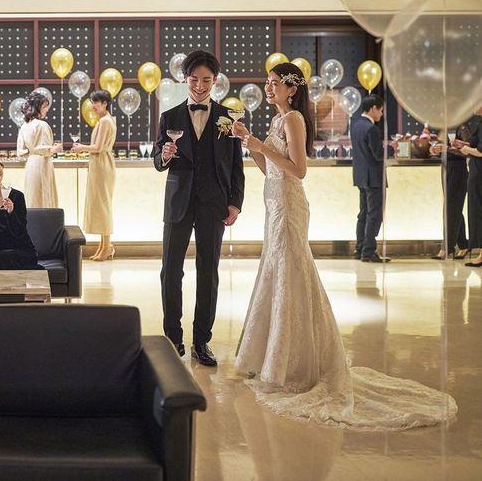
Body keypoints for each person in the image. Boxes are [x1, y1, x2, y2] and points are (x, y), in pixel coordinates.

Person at [232, 62, 456, 429]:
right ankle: (272, 355)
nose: (268, 88)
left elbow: (298, 170)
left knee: (291, 272)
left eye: (273, 83)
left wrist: (260, 147)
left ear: (291, 89)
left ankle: (296, 362)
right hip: (273, 202)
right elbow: (270, 168)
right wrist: (251, 145)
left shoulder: (294, 120)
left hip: (289, 205)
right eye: (267, 83)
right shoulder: (276, 121)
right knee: (275, 272)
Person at [152, 50, 244, 367]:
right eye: (194, 80)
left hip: (213, 204)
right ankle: (172, 339)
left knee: (208, 272)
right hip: (178, 203)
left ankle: (201, 341)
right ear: (185, 79)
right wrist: (165, 155)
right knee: (170, 271)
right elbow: (157, 161)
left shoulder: (228, 118)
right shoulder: (170, 117)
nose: (200, 86)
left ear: (215, 80)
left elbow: (236, 165)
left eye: (206, 80)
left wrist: (235, 202)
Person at [72, 90, 118, 261]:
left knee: (103, 205)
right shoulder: (105, 120)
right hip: (100, 163)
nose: (93, 106)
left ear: (105, 103)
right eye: (92, 102)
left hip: (102, 164)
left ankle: (107, 247)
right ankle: (104, 246)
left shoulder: (105, 121)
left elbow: (98, 147)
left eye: (96, 102)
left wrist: (81, 147)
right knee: (101, 204)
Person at [350, 94, 390, 263]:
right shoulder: (371, 129)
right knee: (374, 215)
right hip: (373, 177)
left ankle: (360, 248)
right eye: (380, 110)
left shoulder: (356, 126)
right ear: (373, 109)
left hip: (361, 176)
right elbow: (378, 155)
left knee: (363, 214)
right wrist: (392, 148)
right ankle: (369, 251)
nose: (381, 114)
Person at [430, 118, 472, 260]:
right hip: (446, 169)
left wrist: (446, 149)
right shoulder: (444, 129)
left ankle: (447, 248)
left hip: (458, 170)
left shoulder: (462, 128)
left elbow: (467, 152)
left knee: (450, 208)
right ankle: (463, 245)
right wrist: (435, 148)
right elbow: (442, 147)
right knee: (454, 208)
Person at [16, 91, 62, 208]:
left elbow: (21, 152)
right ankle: (45, 220)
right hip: (42, 163)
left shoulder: (24, 126)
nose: (47, 110)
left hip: (31, 164)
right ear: (37, 107)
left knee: (32, 198)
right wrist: (54, 149)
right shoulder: (42, 125)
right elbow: (45, 149)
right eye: (45, 106)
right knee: (44, 197)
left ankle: (32, 220)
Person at [462, 108, 482, 267]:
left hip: (479, 173)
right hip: (476, 171)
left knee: (478, 211)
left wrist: (467, 150)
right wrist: (464, 145)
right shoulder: (479, 122)